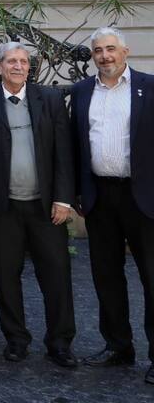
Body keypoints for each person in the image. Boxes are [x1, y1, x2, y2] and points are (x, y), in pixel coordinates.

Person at [0, 42, 77, 367]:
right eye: (11, 61)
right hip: (3, 207)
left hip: (46, 208)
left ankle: (60, 342)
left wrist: (63, 198)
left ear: (30, 67)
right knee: (5, 276)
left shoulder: (51, 99)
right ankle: (16, 339)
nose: (18, 66)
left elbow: (63, 152)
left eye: (23, 62)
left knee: (57, 276)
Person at [71, 27, 154, 379]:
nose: (104, 56)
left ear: (125, 51)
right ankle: (118, 345)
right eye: (98, 51)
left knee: (152, 276)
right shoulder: (81, 91)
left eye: (110, 49)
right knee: (106, 275)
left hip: (144, 197)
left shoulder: (149, 87)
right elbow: (77, 144)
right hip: (100, 196)